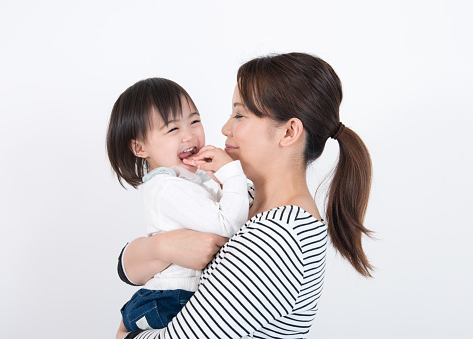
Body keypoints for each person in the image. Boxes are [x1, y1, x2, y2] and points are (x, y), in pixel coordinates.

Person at [117, 52, 374, 339]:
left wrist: (124, 333)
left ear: (289, 132)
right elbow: (126, 269)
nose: (225, 128)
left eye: (240, 114)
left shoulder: (278, 238)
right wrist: (161, 247)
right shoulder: (248, 200)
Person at [106, 78, 250, 334]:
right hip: (171, 299)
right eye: (172, 129)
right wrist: (232, 174)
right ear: (139, 147)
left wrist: (222, 180)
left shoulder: (192, 181)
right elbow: (228, 224)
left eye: (194, 121)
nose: (189, 135)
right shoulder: (166, 187)